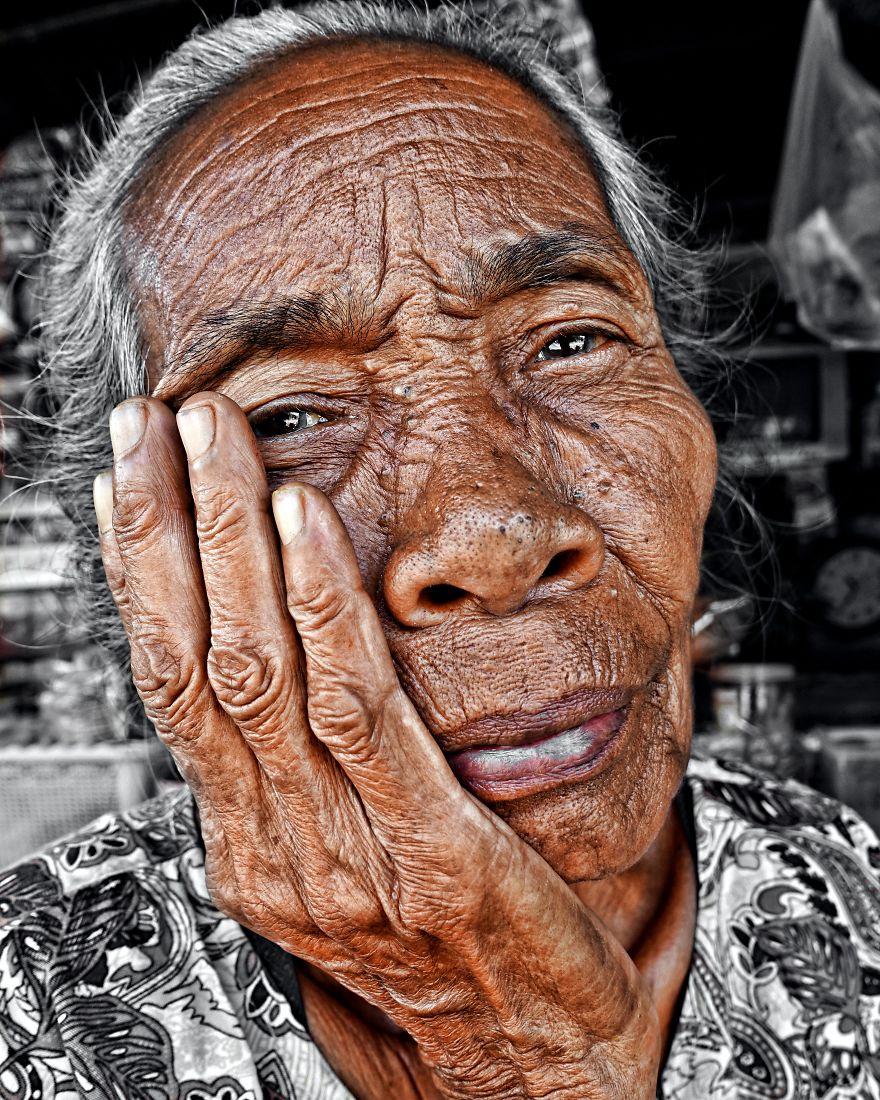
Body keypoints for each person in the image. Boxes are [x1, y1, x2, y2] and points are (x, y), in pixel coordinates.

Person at [1, 3, 879, 1098]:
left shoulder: (836, 879)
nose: (494, 535)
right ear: (135, 546)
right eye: (286, 417)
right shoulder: (38, 1009)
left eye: (570, 340)